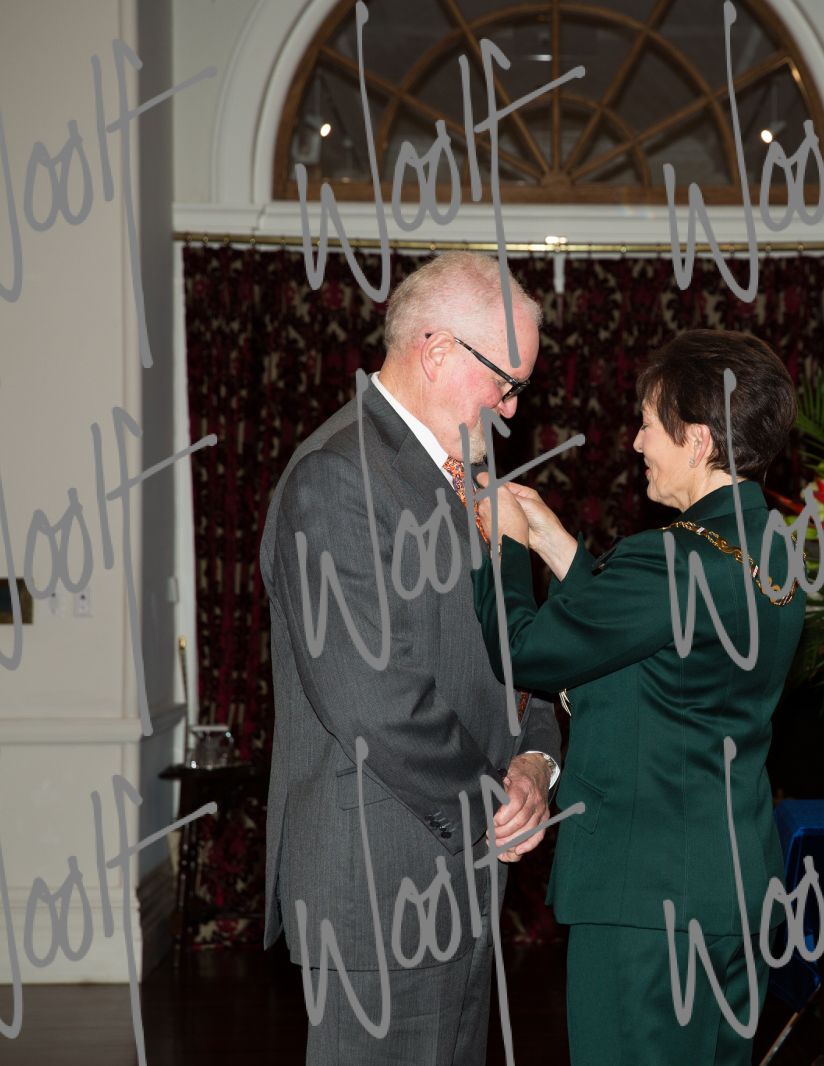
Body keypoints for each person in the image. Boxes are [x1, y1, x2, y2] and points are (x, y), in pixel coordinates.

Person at [259, 252, 563, 1066]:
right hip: (379, 886)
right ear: (436, 351)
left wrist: (535, 762)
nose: (511, 407)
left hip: (462, 873)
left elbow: (520, 646)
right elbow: (371, 696)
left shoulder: (471, 475)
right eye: (506, 383)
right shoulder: (336, 479)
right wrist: (494, 807)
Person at [470, 330, 805, 1066]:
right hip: (732, 893)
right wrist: (558, 545)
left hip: (645, 901)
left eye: (649, 424)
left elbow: (524, 650)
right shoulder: (771, 549)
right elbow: (657, 655)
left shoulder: (671, 559)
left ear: (698, 440)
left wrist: (505, 546)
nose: (635, 442)